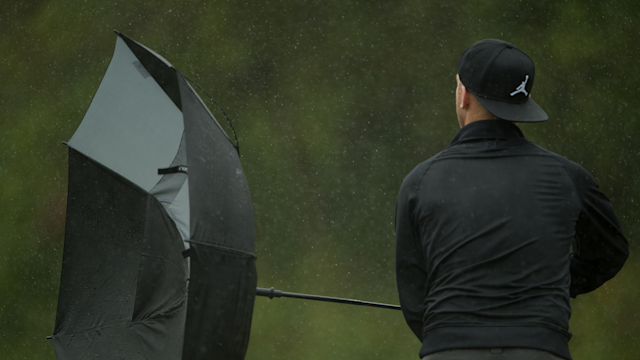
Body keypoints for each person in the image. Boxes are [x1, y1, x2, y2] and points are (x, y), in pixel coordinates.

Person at [395, 39, 629, 360]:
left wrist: (452, 333)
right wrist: (551, 285)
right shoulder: (568, 177)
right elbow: (609, 252)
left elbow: (413, 293)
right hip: (541, 350)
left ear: (464, 95)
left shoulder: (419, 182)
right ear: (524, 99)